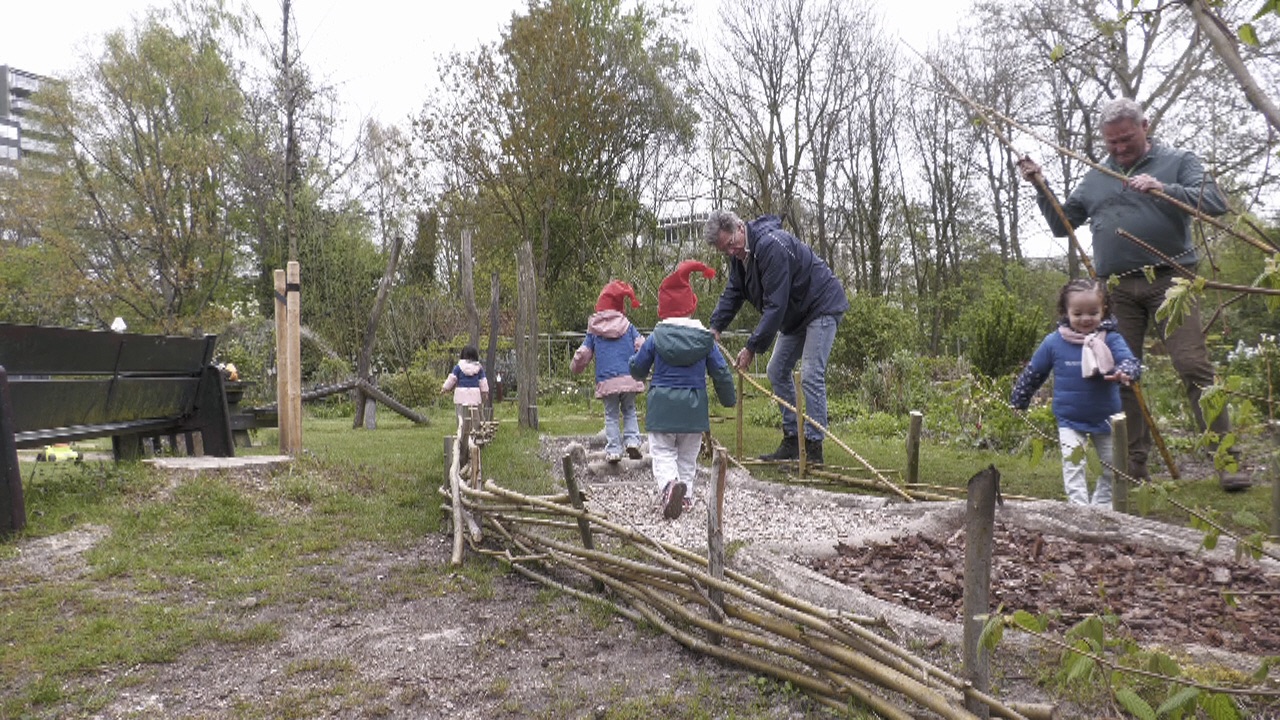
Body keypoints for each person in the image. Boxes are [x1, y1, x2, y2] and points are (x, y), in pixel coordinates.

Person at [1016, 97, 1249, 490]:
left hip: (1171, 280)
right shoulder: (1095, 176)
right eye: (1112, 143)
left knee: (1193, 366)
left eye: (1126, 139)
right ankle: (1133, 465)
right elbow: (1063, 224)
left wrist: (1164, 189)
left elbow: (1216, 203)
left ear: (1145, 125)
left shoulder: (1179, 160)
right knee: (1118, 374)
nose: (1120, 148)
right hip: (1117, 289)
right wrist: (1041, 186)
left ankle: (1227, 461)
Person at [703, 210, 848, 464]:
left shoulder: (772, 246)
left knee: (811, 373)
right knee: (776, 370)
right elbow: (733, 293)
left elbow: (775, 306)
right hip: (796, 315)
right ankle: (793, 439)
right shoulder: (739, 258)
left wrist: (751, 347)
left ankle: (813, 448)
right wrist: (715, 327)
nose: (729, 252)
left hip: (820, 305)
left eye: (730, 244)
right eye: (723, 250)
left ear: (739, 227)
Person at [1011, 279, 1142, 505]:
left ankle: (1101, 508)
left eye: (1093, 312)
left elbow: (1130, 361)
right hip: (1070, 420)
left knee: (1112, 467)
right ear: (1066, 312)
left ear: (1104, 310)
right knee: (1074, 466)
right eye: (1078, 313)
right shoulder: (1054, 342)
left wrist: (1124, 371)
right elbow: (1034, 372)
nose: (1085, 319)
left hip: (1106, 419)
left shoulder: (1111, 339)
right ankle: (1079, 510)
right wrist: (1019, 399)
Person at [630, 260, 736, 520]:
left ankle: (669, 487)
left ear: (664, 308)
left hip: (662, 408)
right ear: (690, 306)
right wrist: (728, 398)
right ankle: (685, 497)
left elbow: (639, 369)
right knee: (688, 456)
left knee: (663, 452)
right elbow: (721, 371)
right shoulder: (705, 340)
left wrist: (634, 361)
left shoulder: (656, 337)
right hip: (693, 410)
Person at [571, 280, 647, 463]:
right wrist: (645, 364)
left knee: (611, 415)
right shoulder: (628, 327)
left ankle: (614, 450)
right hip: (629, 377)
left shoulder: (594, 330)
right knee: (629, 410)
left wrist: (575, 367)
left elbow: (584, 353)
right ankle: (632, 441)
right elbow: (642, 345)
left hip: (607, 381)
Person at [441, 345, 490, 422]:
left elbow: (452, 378)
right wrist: (485, 392)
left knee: (461, 417)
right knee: (475, 416)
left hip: (461, 396)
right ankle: (474, 430)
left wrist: (445, 388)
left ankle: (461, 431)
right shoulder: (479, 368)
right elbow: (483, 381)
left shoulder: (458, 367)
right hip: (474, 395)